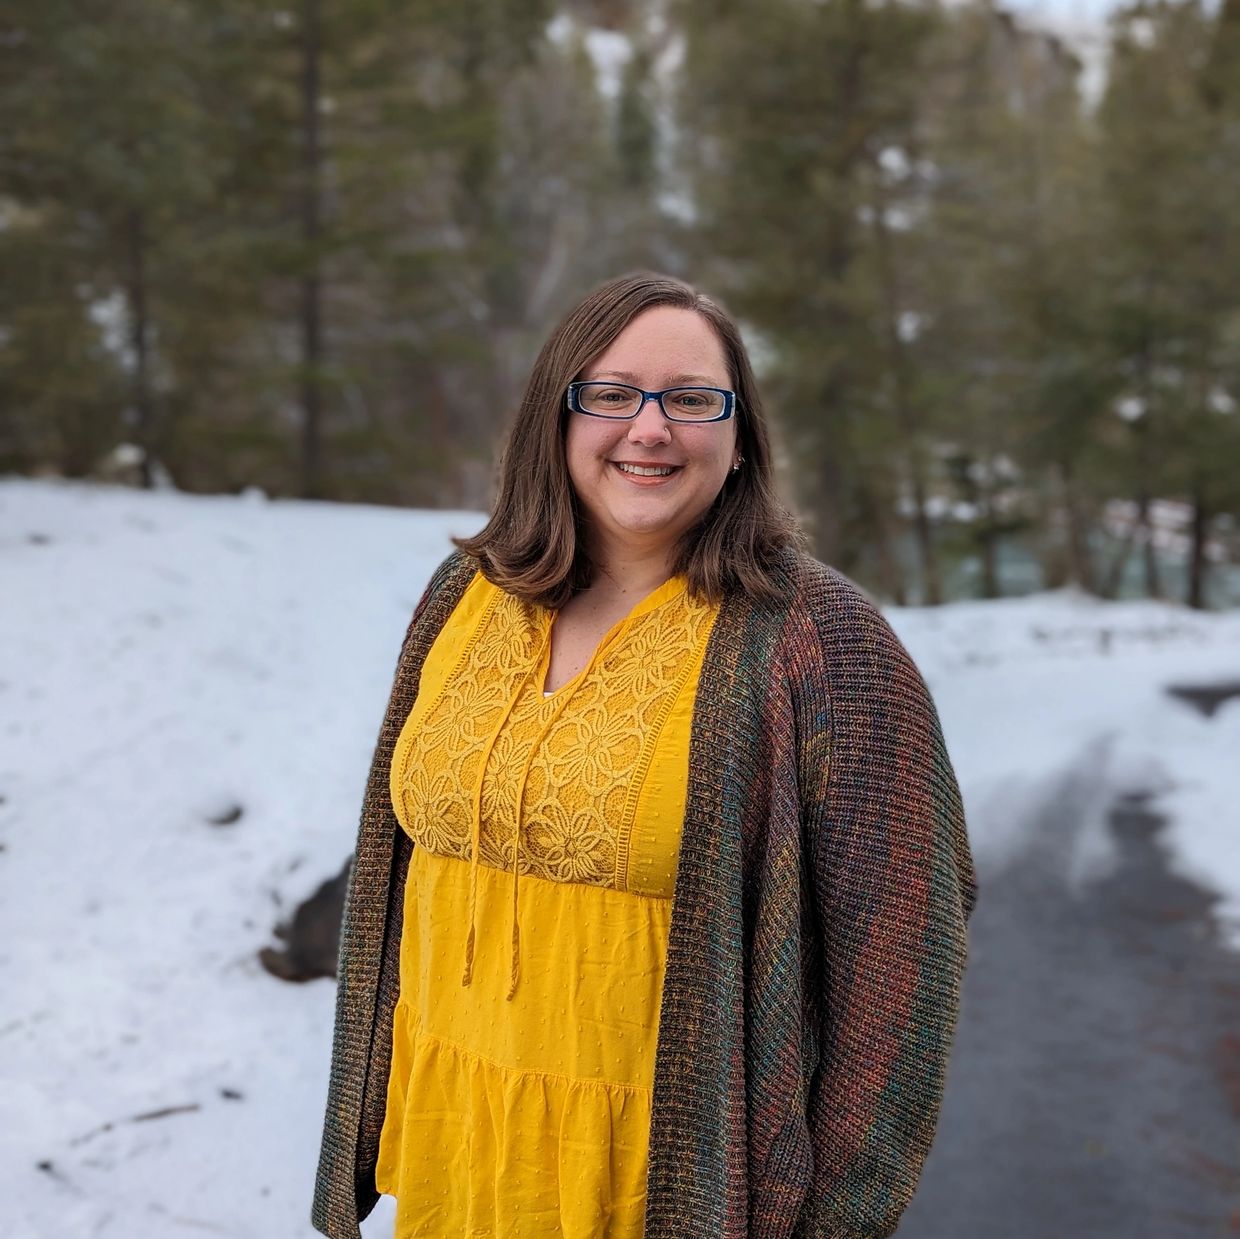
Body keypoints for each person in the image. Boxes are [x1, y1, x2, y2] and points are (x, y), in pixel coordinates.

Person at [311, 271, 979, 1239]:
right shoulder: (465, 594)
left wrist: (836, 1219)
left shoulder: (820, 639)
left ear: (740, 436)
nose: (650, 428)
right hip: (459, 1146)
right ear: (556, 417)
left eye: (692, 399)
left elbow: (906, 955)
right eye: (613, 394)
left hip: (663, 1185)